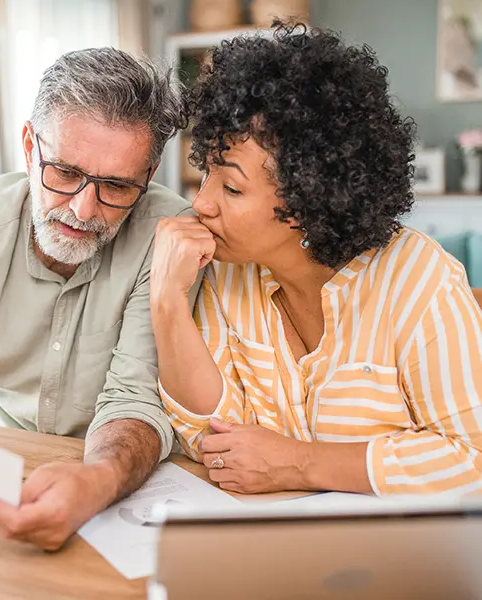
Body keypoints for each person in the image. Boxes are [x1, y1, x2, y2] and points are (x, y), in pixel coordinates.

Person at [150, 22, 482, 497]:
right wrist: (166, 301)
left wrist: (299, 464)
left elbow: (473, 459)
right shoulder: (224, 269)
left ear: (310, 198)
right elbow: (211, 438)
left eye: (232, 187)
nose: (201, 203)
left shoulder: (419, 281)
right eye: (205, 174)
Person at [0, 48, 191, 549]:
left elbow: (135, 397)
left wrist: (100, 479)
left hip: (123, 476)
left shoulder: (169, 237)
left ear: (149, 174)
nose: (83, 208)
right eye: (65, 173)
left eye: (115, 185)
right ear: (29, 145)